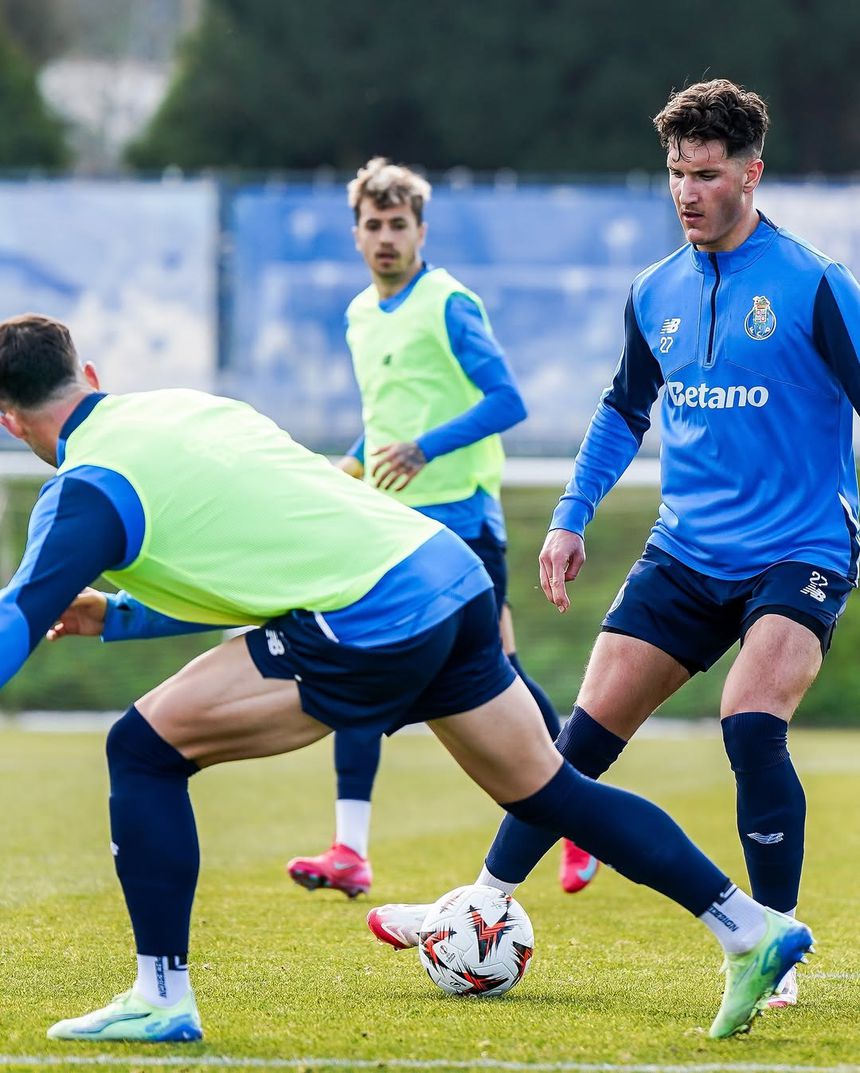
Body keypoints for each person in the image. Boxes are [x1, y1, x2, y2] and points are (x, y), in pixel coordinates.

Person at [0, 314, 810, 1043]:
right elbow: (261, 557)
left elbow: (19, 616)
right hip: (447, 578)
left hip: (371, 615)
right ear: (92, 375)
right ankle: (749, 926)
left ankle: (161, 995)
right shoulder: (189, 407)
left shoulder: (83, 491)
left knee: (142, 750)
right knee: (550, 792)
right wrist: (123, 616)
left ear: (9, 419)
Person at [367, 78, 860, 1013]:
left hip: (801, 545)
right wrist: (570, 514)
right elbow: (622, 410)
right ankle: (484, 897)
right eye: (676, 173)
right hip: (685, 552)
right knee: (576, 743)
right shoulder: (655, 291)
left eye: (707, 174)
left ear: (753, 173)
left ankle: (774, 944)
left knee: (751, 722)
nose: (687, 192)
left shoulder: (817, 286)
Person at [286, 157, 597, 899]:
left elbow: (506, 401)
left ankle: (579, 814)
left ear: (421, 230)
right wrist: (355, 464)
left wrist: (426, 449)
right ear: (356, 235)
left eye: (399, 225)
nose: (386, 237)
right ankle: (349, 850)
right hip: (391, 525)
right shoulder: (360, 314)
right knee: (359, 657)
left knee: (500, 679)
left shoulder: (450, 302)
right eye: (373, 225)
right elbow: (386, 421)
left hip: (462, 526)